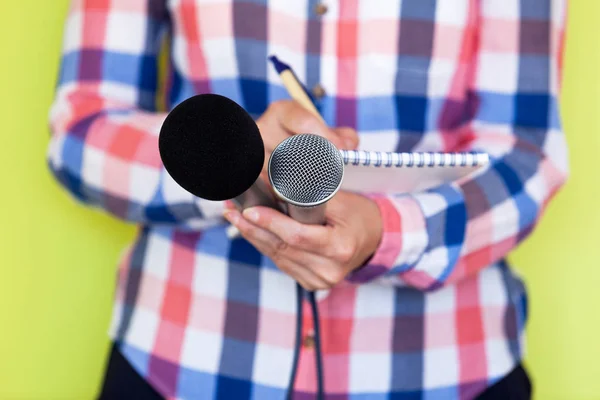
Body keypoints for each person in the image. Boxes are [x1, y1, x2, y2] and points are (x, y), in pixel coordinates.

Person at [47, 0, 568, 399]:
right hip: (182, 363)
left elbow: (524, 153)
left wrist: (385, 233)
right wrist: (240, 159)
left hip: (449, 367)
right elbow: (81, 131)